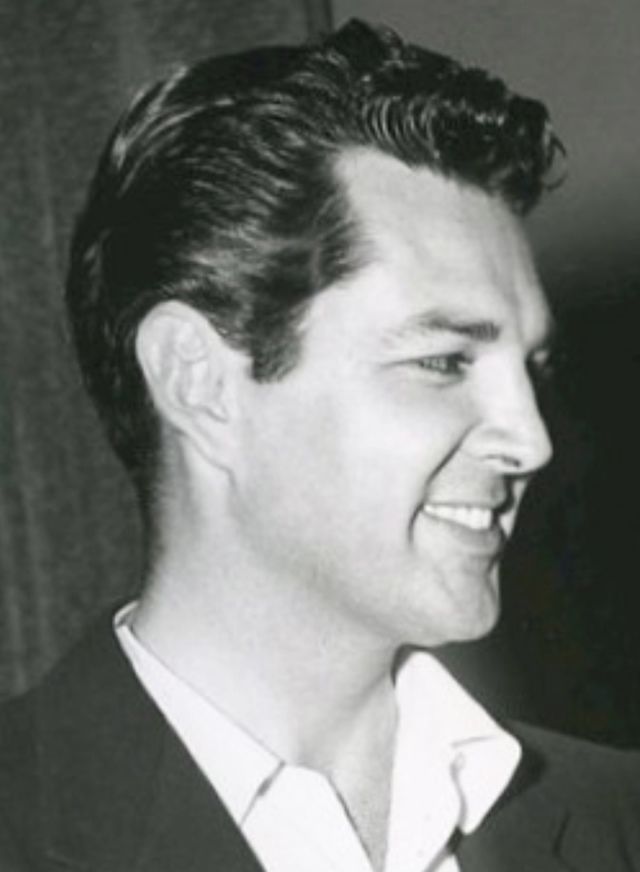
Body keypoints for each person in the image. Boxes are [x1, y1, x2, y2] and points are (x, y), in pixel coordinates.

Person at [0, 18, 638, 872]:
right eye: (443, 361)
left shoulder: (618, 823)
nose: (531, 440)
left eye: (533, 368)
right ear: (199, 381)